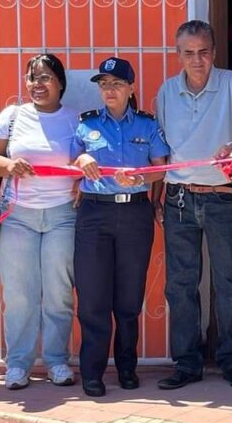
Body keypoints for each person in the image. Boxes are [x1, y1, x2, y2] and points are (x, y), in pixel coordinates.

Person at [153, 20, 232, 391]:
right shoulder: (166, 92)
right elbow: (160, 152)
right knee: (180, 284)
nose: (197, 60)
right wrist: (157, 197)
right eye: (189, 53)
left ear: (214, 53)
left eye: (204, 51)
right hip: (178, 199)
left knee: (230, 281)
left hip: (222, 197)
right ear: (178, 55)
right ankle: (186, 362)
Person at [72, 57, 170, 397]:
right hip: (94, 215)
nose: (109, 90)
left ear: (131, 88)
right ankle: (92, 372)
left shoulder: (146, 125)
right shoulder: (86, 125)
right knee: (93, 298)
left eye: (116, 84)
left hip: (134, 215)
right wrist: (82, 159)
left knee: (129, 298)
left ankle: (127, 367)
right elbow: (71, 161)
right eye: (103, 85)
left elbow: (162, 169)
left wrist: (141, 175)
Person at [0, 54, 78, 390]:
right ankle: (18, 365)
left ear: (61, 83)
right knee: (20, 295)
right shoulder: (12, 116)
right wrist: (8, 166)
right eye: (32, 77)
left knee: (58, 293)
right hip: (17, 216)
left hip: (62, 216)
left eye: (46, 77)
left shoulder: (74, 120)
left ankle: (56, 361)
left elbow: (84, 160)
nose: (38, 84)